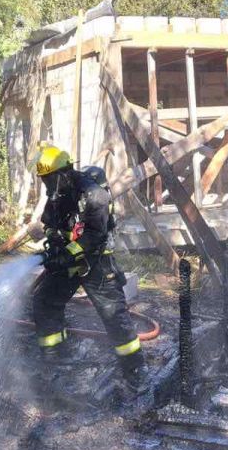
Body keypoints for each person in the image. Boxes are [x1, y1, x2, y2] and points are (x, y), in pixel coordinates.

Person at [30, 145, 148, 392]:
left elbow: (95, 236)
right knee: (45, 301)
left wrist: (66, 255)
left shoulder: (94, 195)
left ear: (63, 173)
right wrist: (54, 246)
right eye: (44, 180)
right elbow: (50, 225)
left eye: (50, 179)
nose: (47, 185)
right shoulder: (56, 196)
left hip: (96, 263)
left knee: (113, 313)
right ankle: (54, 356)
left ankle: (134, 368)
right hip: (68, 261)